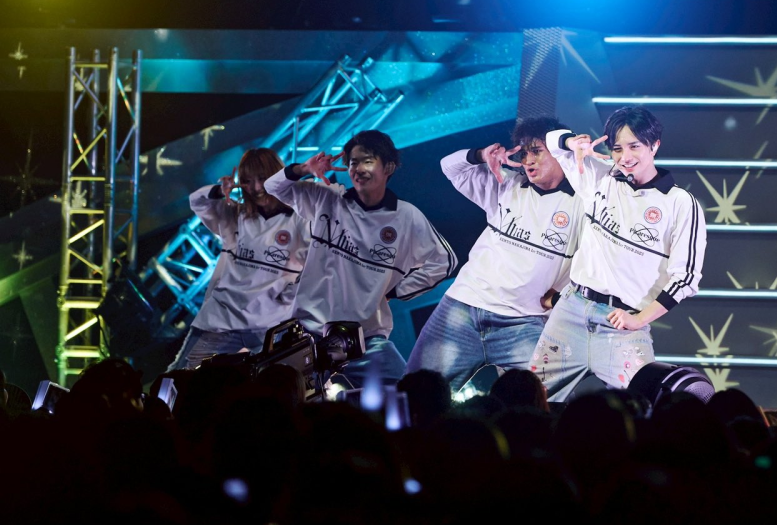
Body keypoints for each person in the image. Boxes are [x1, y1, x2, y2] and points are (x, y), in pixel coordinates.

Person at [528, 106, 706, 402]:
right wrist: (573, 143)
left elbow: (685, 278)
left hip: (622, 325)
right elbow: (551, 140)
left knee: (647, 409)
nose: (625, 157)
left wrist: (639, 319)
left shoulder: (681, 203)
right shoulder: (597, 177)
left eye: (634, 146)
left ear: (655, 145)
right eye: (617, 148)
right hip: (570, 312)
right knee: (533, 403)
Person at [264, 129, 457, 386]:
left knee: (405, 398)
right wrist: (303, 168)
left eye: (368, 160)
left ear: (388, 167)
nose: (358, 168)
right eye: (353, 162)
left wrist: (396, 291)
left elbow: (445, 261)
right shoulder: (327, 197)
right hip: (308, 331)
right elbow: (273, 186)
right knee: (285, 402)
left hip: (365, 338)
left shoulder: (407, 216)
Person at [404, 116, 582, 393]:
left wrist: (562, 298)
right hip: (463, 309)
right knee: (414, 397)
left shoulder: (584, 203)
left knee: (544, 406)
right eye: (524, 152)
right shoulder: (507, 184)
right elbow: (450, 168)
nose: (529, 160)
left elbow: (598, 265)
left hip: (524, 322)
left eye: (537, 151)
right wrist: (479, 154)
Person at [168, 148, 309, 370]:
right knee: (178, 381)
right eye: (247, 181)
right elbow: (197, 201)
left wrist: (286, 297)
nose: (255, 188)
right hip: (221, 321)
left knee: (280, 391)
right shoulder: (235, 215)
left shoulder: (299, 220)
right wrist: (218, 189)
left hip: (269, 326)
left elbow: (316, 268)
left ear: (276, 175)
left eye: (262, 179)